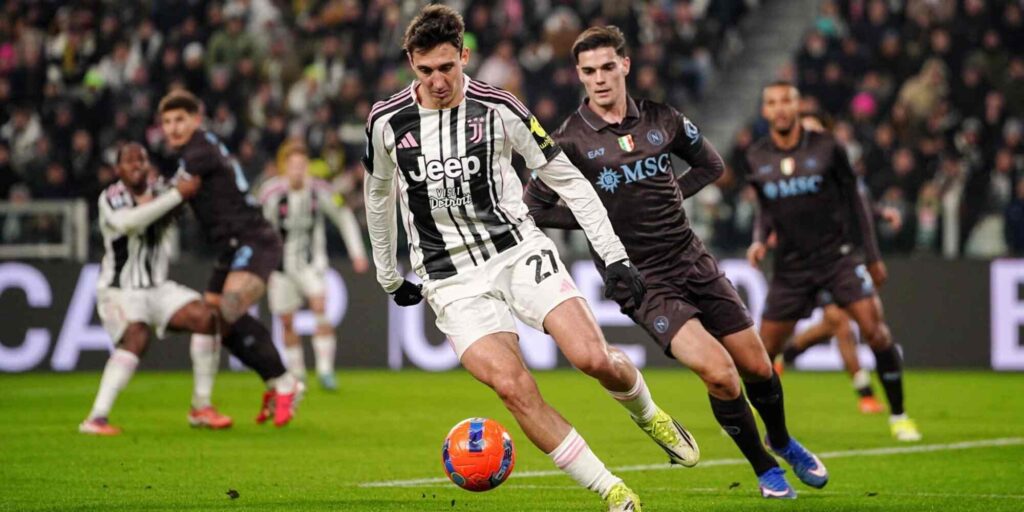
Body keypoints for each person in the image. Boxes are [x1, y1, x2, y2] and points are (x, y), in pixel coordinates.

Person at [363, 7, 697, 511]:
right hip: (449, 278)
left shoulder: (500, 108)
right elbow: (377, 195)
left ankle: (648, 413)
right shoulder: (386, 122)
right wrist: (390, 275)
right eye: (425, 69)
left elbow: (569, 181)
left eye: (447, 68)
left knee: (592, 358)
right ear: (410, 61)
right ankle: (613, 491)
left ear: (464, 56)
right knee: (513, 387)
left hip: (518, 251)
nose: (437, 81)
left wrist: (614, 258)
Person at [524, 26, 826, 500]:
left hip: (690, 256)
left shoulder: (663, 119)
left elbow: (711, 166)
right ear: (578, 76)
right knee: (720, 374)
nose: (599, 79)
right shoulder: (570, 141)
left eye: (607, 67)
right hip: (642, 278)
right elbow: (535, 206)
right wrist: (594, 219)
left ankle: (781, 439)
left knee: (758, 366)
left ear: (625, 65)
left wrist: (673, 195)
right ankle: (765, 468)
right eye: (589, 71)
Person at [745, 81, 921, 442]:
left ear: (797, 107)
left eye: (786, 101)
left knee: (875, 331)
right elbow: (766, 208)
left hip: (837, 257)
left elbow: (855, 202)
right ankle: (775, 433)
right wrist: (760, 240)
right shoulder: (757, 156)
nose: (779, 109)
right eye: (772, 103)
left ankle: (899, 415)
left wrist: (871, 257)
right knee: (761, 357)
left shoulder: (828, 148)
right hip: (791, 266)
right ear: (765, 111)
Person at [159, 89, 301, 427]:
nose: (174, 128)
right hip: (229, 248)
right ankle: (205, 404)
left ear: (196, 119)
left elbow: (174, 195)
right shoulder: (198, 149)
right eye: (167, 122)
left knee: (227, 309)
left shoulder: (198, 151)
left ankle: (284, 381)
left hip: (254, 239)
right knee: (212, 323)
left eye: (180, 119)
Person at [81, 143, 231, 435]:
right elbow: (128, 223)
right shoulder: (113, 197)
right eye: (129, 161)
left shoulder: (160, 190)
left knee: (206, 318)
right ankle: (96, 418)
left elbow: (190, 195)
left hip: (157, 287)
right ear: (118, 169)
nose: (136, 165)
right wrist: (177, 194)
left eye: (141, 160)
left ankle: (201, 406)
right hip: (119, 290)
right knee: (136, 337)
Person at [258, 142, 369, 390]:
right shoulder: (271, 193)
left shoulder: (320, 190)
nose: (298, 170)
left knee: (320, 308)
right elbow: (258, 229)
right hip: (280, 268)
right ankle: (297, 372)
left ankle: (325, 370)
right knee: (287, 321)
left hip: (312, 264)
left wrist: (357, 253)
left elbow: (343, 217)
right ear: (284, 167)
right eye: (293, 165)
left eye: (302, 165)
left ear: (307, 166)